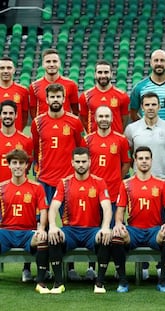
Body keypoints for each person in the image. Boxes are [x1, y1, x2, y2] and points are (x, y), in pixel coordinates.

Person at [31, 83, 85, 280]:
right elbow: (36, 150)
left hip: (67, 183)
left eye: (58, 97)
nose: (55, 100)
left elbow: (81, 149)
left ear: (64, 99)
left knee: (69, 226)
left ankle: (69, 269)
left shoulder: (74, 122)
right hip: (45, 181)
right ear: (46, 100)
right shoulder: (37, 122)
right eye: (51, 97)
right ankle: (43, 271)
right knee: (43, 227)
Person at [47, 147, 112, 294]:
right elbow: (53, 207)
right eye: (78, 162)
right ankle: (58, 283)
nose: (81, 164)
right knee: (53, 237)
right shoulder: (64, 183)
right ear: (72, 163)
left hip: (92, 230)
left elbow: (107, 207)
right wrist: (52, 226)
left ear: (89, 162)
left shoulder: (99, 182)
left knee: (105, 237)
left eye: (84, 161)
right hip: (70, 230)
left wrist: (106, 226)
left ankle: (99, 283)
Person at [111, 146, 165, 293]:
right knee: (116, 236)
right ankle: (122, 281)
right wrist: (119, 224)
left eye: (147, 158)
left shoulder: (161, 184)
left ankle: (163, 281)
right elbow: (120, 210)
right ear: (135, 161)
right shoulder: (126, 184)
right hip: (134, 231)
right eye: (141, 158)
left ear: (152, 161)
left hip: (154, 231)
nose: (144, 161)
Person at [0, 149, 49, 293]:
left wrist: (41, 229)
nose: (18, 166)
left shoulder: (36, 187)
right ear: (8, 165)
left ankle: (40, 281)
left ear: (26, 165)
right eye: (14, 163)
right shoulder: (1, 187)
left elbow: (44, 211)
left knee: (42, 239)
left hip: (28, 232)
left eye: (21, 163)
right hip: (6, 232)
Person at [84, 105, 130, 225]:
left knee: (114, 228)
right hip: (92, 190)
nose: (104, 119)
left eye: (106, 116)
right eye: (101, 116)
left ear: (112, 119)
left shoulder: (121, 140)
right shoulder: (87, 140)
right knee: (93, 228)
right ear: (95, 118)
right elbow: (83, 164)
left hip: (113, 191)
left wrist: (117, 178)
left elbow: (126, 163)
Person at [79, 60, 129, 133]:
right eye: (100, 72)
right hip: (94, 141)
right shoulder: (85, 96)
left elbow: (124, 120)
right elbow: (84, 120)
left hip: (115, 142)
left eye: (106, 72)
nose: (103, 76)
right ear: (95, 74)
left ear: (111, 74)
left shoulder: (122, 96)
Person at [29, 48, 79, 118]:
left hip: (65, 127)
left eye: (55, 61)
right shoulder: (34, 86)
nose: (52, 64)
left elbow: (75, 110)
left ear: (59, 63)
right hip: (44, 127)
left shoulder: (71, 84)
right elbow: (33, 110)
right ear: (43, 64)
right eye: (48, 62)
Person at [0, 100, 33, 183]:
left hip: (16, 189)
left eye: (11, 113)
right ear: (0, 115)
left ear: (16, 115)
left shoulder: (26, 140)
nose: (8, 116)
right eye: (5, 113)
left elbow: (27, 164)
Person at [0, 57, 29, 130]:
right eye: (2, 68)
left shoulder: (23, 91)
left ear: (14, 70)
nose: (5, 71)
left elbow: (25, 116)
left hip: (16, 138)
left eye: (9, 68)